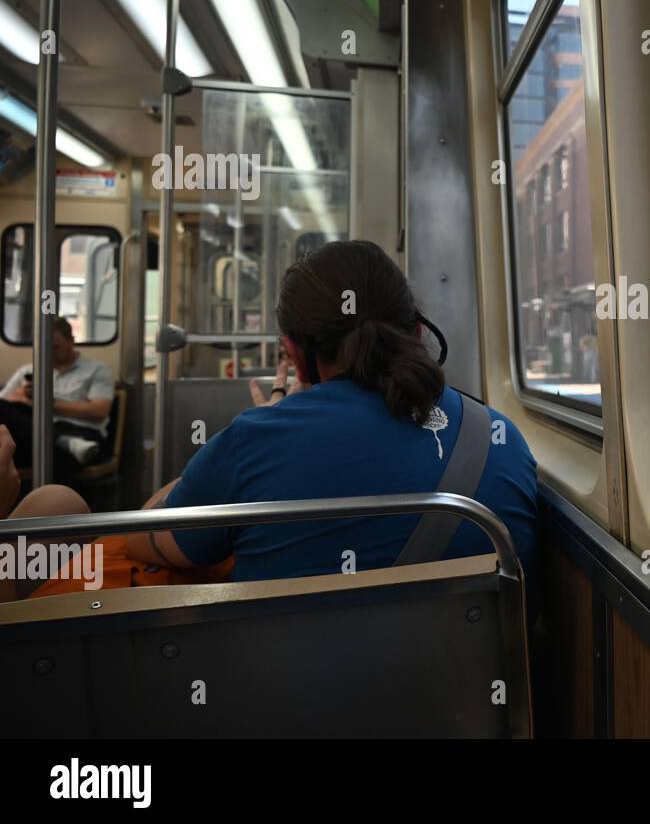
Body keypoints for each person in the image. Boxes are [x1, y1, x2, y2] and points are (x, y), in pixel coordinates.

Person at [122, 239, 540, 588]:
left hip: (281, 687)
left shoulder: (255, 440)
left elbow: (141, 540)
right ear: (415, 332)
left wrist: (260, 427)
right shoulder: (498, 435)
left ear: (295, 356)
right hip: (467, 685)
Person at [0, 315, 113, 472]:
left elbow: (99, 411)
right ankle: (62, 441)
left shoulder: (97, 370)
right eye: (44, 347)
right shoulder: (27, 370)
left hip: (80, 434)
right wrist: (19, 396)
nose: (49, 353)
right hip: (33, 432)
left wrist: (47, 404)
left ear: (71, 341)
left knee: (48, 452)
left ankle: (63, 441)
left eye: (55, 347)